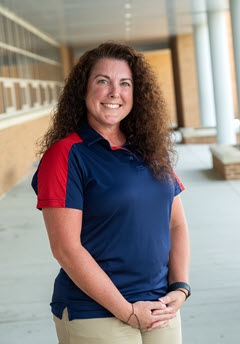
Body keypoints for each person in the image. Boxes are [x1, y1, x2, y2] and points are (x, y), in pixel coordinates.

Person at [31, 41, 190, 344]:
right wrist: (127, 311)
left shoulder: (151, 150)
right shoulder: (66, 155)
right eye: (102, 81)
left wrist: (179, 287)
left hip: (160, 307)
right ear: (84, 90)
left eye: (125, 83)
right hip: (95, 312)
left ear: (136, 93)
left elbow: (176, 223)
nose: (114, 92)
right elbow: (66, 248)